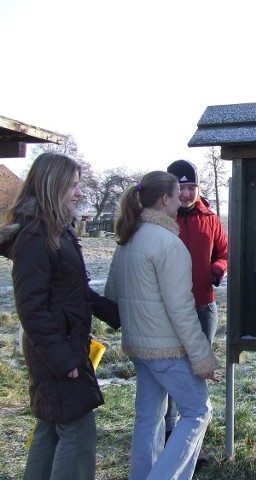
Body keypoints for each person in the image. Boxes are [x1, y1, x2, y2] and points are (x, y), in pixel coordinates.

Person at [0, 152, 119, 480]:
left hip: (62, 348)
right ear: (52, 187)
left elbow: (76, 291)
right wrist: (65, 360)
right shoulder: (35, 238)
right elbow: (31, 309)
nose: (79, 193)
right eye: (73, 186)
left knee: (51, 428)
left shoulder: (55, 232)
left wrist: (119, 315)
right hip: (57, 352)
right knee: (79, 431)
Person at [105, 171, 219, 480]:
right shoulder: (169, 244)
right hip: (166, 348)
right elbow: (182, 309)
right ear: (165, 199)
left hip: (138, 347)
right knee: (198, 412)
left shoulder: (127, 239)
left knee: (148, 418)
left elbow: (112, 295)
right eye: (176, 194)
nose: (182, 199)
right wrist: (202, 357)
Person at [165, 159, 228, 457]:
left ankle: (192, 435)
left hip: (204, 307)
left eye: (191, 187)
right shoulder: (161, 218)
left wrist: (216, 269)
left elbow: (223, 252)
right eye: (181, 188)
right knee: (172, 370)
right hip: (168, 310)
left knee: (197, 368)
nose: (187, 194)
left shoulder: (211, 218)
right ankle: (169, 429)